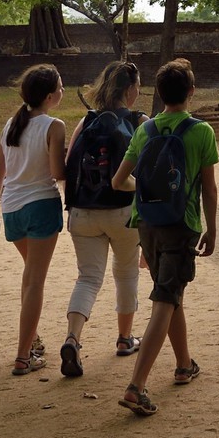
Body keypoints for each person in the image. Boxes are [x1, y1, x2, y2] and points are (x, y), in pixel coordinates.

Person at [111, 58, 218, 416]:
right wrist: (212, 228)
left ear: (158, 92)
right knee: (165, 299)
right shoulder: (201, 132)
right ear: (191, 92)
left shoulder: (145, 130)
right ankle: (136, 386)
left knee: (170, 295)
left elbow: (119, 181)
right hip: (180, 224)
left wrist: (147, 189)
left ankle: (184, 364)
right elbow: (208, 187)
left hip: (147, 223)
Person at [58, 60, 148, 377]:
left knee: (87, 278)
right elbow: (149, 171)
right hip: (124, 211)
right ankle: (125, 338)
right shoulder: (139, 122)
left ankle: (73, 338)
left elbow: (68, 167)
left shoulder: (88, 121)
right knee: (126, 274)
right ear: (130, 89)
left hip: (84, 212)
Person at [0, 63, 67, 376]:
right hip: (41, 206)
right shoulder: (53, 126)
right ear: (49, 96)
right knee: (34, 281)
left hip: (12, 209)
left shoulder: (11, 124)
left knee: (29, 277)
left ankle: (31, 341)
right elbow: (58, 173)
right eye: (60, 86)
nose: (63, 90)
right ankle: (22, 356)